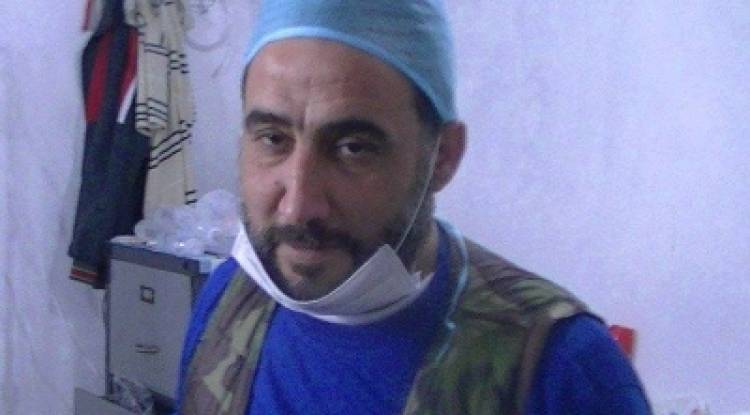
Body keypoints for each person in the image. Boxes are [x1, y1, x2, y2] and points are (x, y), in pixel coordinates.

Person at [176, 1, 652, 414]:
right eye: (273, 139)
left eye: (353, 148)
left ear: (442, 157)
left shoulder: (560, 370)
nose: (298, 207)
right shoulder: (229, 302)